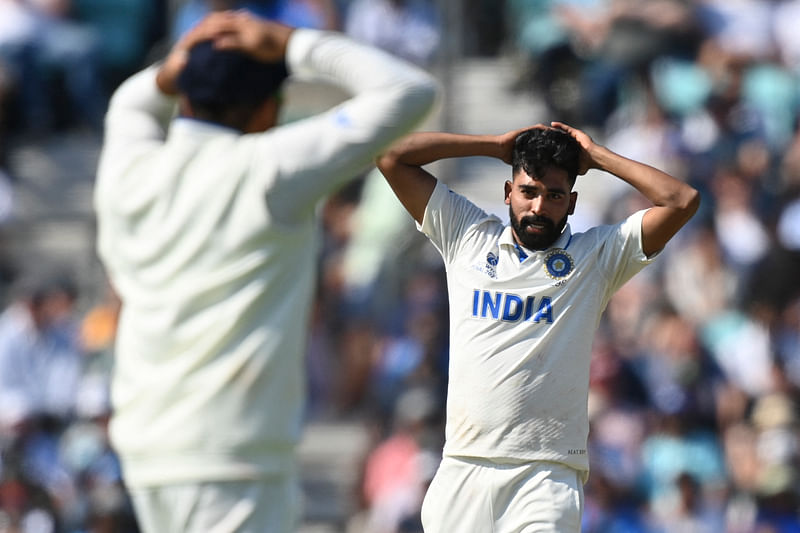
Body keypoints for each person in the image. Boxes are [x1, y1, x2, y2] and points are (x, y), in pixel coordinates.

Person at [93, 10, 437, 533]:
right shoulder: (268, 168)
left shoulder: (130, 169)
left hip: (146, 450)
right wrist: (294, 43)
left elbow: (131, 103)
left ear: (183, 97)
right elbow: (411, 92)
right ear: (266, 112)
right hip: (232, 457)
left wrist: (180, 62)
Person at [376, 122, 700, 531]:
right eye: (528, 191)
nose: (539, 207)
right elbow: (392, 156)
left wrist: (598, 157)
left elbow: (682, 200)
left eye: (554, 195)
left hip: (545, 476)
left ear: (572, 202)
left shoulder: (596, 258)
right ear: (509, 192)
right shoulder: (467, 235)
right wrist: (494, 145)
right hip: (463, 466)